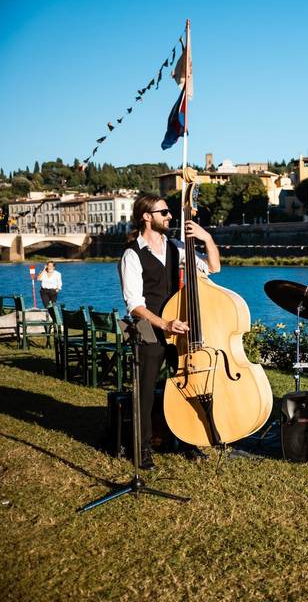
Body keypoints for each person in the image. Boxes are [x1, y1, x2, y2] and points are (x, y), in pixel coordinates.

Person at [119, 193, 220, 469]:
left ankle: (189, 441)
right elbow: (134, 304)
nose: (170, 216)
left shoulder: (178, 247)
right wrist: (164, 324)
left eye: (169, 212)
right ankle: (142, 449)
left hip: (178, 329)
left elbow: (213, 268)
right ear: (146, 217)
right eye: (164, 212)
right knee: (145, 391)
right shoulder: (132, 254)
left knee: (187, 383)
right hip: (148, 328)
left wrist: (206, 238)